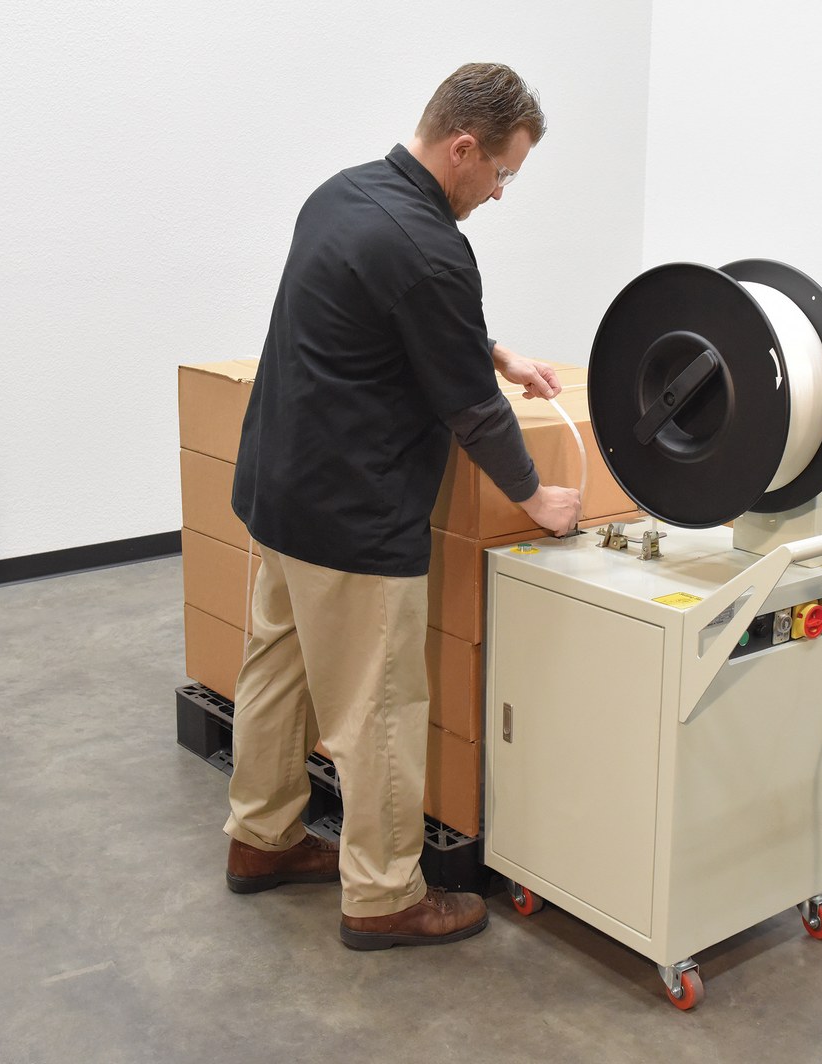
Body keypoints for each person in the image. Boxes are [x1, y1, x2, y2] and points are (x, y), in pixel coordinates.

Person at [222, 63, 581, 951]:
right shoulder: (431, 248)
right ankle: (384, 895)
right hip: (352, 515)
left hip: (279, 490)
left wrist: (493, 349)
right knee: (377, 708)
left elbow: (391, 314)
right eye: (501, 172)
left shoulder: (342, 195)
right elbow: (473, 412)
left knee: (277, 674)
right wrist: (535, 497)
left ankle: (261, 838)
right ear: (462, 148)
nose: (499, 193)